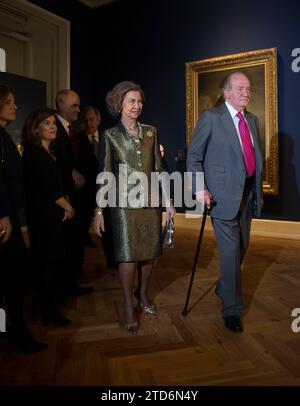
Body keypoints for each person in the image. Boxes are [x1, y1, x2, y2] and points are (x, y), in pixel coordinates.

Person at [93, 81, 175, 334]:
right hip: (123, 205)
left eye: (139, 101)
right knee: (127, 253)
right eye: (132, 101)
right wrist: (98, 211)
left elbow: (159, 169)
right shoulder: (109, 136)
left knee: (150, 251)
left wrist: (169, 201)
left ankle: (143, 294)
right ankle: (129, 304)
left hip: (150, 202)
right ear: (119, 104)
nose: (137, 106)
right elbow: (105, 173)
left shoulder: (151, 132)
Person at [187, 71, 263, 333]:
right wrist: (200, 189)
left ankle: (223, 286)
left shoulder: (251, 120)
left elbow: (253, 158)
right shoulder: (211, 117)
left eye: (249, 89)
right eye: (240, 88)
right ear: (227, 92)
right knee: (230, 253)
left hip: (247, 194)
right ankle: (231, 309)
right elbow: (194, 156)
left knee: (242, 247)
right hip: (221, 197)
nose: (246, 93)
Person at [0, 84, 47, 352]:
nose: (15, 106)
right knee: (14, 277)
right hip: (4, 219)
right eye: (9, 102)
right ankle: (17, 333)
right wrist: (3, 215)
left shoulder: (4, 134)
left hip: (9, 215)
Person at [22, 107, 74, 327]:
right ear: (36, 128)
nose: (53, 127)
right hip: (43, 217)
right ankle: (49, 312)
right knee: (47, 263)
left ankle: (45, 304)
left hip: (49, 215)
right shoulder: (35, 154)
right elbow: (47, 189)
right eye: (47, 123)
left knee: (49, 262)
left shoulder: (47, 152)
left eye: (54, 123)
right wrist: (68, 206)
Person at [53, 89, 93, 296]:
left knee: (74, 240)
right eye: (74, 106)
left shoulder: (71, 130)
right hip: (61, 198)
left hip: (77, 196)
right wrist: (70, 171)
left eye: (78, 105)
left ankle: (70, 281)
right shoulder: (52, 128)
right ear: (60, 105)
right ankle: (62, 284)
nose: (78, 109)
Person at [77, 106, 116, 268]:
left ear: (98, 120)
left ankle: (112, 262)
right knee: (80, 231)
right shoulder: (77, 139)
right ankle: (76, 269)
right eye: (85, 120)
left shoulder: (108, 138)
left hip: (105, 192)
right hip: (85, 192)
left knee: (108, 229)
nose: (89, 123)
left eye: (92, 119)